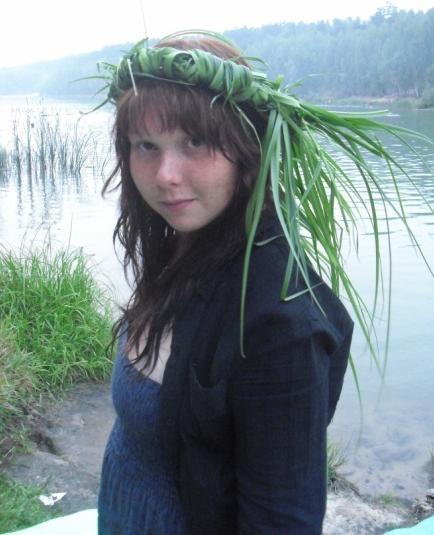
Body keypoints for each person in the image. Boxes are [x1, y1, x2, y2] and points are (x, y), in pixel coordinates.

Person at [96, 32, 355, 534]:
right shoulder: (183, 246)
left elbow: (282, 522)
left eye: (194, 142)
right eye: (146, 145)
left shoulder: (280, 324)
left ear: (247, 147)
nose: (165, 175)